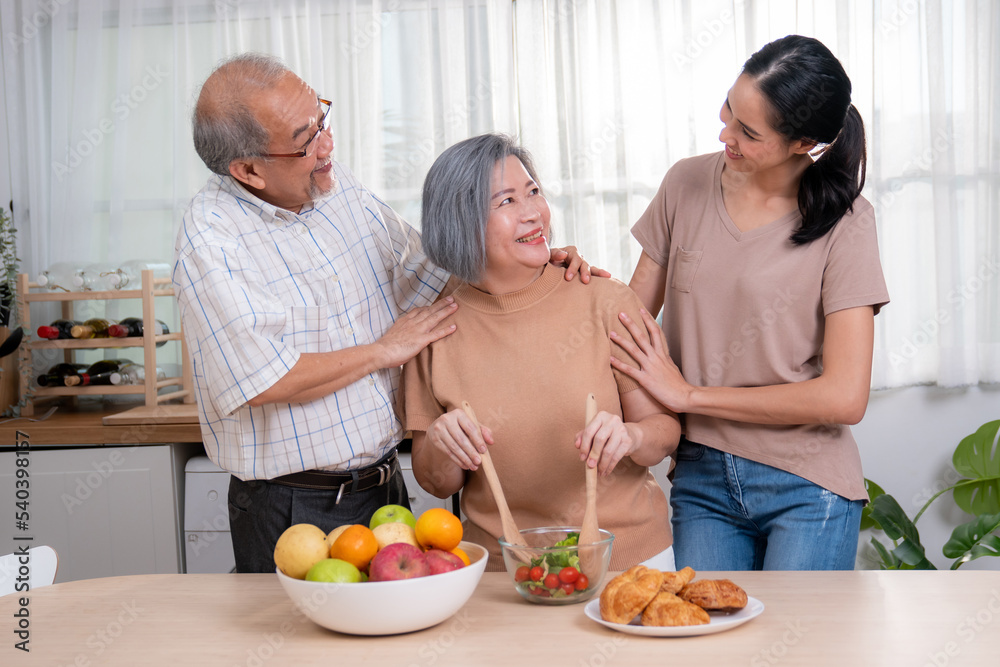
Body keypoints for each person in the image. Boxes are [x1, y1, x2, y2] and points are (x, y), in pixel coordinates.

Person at [173, 54, 601, 573]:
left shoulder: (331, 186)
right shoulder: (211, 239)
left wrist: (532, 261)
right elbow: (260, 378)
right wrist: (382, 350)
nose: (327, 146)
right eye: (305, 140)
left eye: (322, 120)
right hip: (292, 507)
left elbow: (430, 268)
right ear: (248, 170)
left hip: (380, 489)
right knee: (300, 653)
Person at [611, 35, 890, 571]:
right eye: (729, 110)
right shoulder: (685, 183)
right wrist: (558, 276)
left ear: (801, 142)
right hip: (700, 480)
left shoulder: (848, 222)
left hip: (808, 486)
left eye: (748, 131)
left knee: (796, 656)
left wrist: (690, 396)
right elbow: (627, 322)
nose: (725, 134)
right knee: (712, 649)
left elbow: (844, 397)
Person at [401, 133, 681, 572]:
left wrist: (633, 436)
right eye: (507, 201)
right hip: (502, 572)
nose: (534, 213)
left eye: (533, 191)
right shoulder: (434, 331)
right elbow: (436, 483)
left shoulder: (604, 300)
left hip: (627, 560)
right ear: (461, 221)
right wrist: (441, 442)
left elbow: (663, 433)